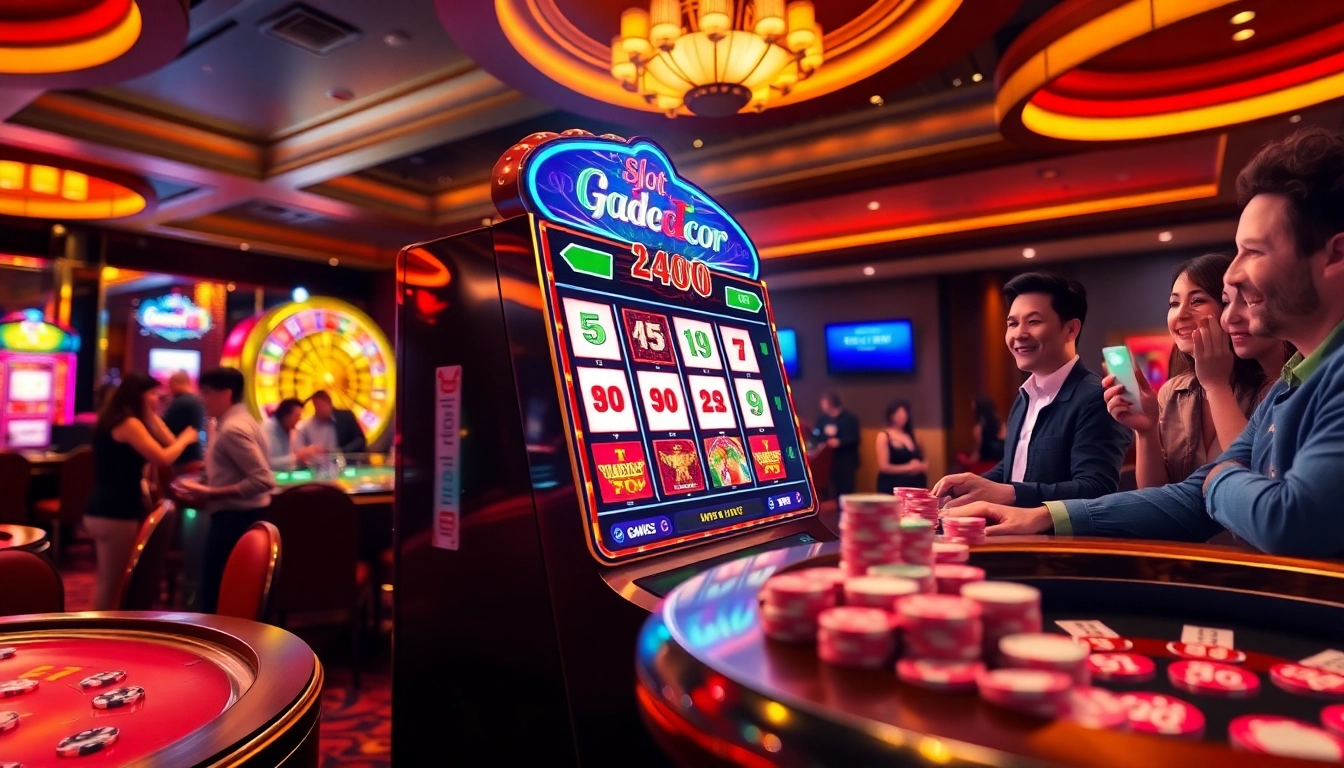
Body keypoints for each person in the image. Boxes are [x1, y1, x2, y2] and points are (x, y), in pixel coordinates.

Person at [944, 127, 1344, 558]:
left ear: (1335, 256)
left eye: (1255, 252)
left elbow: (1289, 521)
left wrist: (1220, 478)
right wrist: (1045, 516)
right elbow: (1187, 499)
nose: (1233, 275)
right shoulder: (1291, 383)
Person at [932, 272, 1131, 508]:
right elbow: (1015, 466)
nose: (1019, 334)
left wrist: (1008, 493)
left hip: (1057, 543)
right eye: (1012, 323)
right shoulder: (1025, 397)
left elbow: (1095, 489)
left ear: (1070, 329)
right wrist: (962, 489)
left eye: (1033, 321)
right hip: (1012, 535)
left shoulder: (1095, 397)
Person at [1105, 253, 1292, 487]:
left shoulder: (1274, 389)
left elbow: (1256, 481)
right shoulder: (1174, 391)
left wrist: (1216, 384)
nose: (1181, 314)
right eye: (1174, 303)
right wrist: (1146, 431)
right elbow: (1155, 496)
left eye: (1197, 301)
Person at [85, 372, 198, 610]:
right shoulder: (129, 424)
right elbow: (163, 457)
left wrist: (152, 416)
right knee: (112, 585)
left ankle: (98, 634)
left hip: (102, 509)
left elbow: (167, 441)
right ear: (140, 395)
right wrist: (186, 439)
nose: (159, 398)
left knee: (107, 582)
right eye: (154, 394)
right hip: (115, 512)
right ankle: (98, 638)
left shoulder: (119, 419)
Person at [173, 367, 276, 612]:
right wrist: (202, 483)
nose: (202, 399)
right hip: (242, 519)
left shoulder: (233, 428)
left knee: (220, 599)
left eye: (207, 393)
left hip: (235, 523)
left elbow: (263, 479)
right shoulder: (235, 422)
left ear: (227, 394)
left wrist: (210, 493)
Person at [293, 390, 367, 459]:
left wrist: (340, 451)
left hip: (346, 464)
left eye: (321, 406)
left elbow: (360, 440)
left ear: (329, 404)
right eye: (316, 407)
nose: (318, 410)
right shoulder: (306, 426)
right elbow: (299, 451)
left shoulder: (345, 417)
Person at [812, 392, 860, 497]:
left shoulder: (849, 419)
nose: (821, 405)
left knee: (845, 490)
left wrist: (839, 442)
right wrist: (823, 443)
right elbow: (815, 435)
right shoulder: (822, 419)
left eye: (823, 402)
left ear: (831, 403)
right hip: (826, 462)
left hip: (845, 461)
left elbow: (855, 438)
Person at [875, 400, 927, 494]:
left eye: (905, 413)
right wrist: (908, 468)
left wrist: (921, 466)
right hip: (893, 485)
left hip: (916, 484)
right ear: (891, 415)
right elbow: (884, 467)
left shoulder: (915, 435)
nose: (903, 416)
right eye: (898, 413)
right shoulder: (884, 436)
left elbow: (923, 460)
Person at [263, 398, 324, 471]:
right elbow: (269, 465)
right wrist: (298, 456)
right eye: (296, 416)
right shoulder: (268, 429)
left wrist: (305, 457)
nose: (299, 420)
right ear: (285, 416)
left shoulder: (287, 429)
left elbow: (288, 461)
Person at [162, 371, 207, 469]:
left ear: (175, 383)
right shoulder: (198, 400)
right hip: (196, 456)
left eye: (170, 385)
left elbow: (163, 428)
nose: (169, 389)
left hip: (182, 459)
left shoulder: (179, 402)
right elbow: (202, 432)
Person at [969, 396, 1006, 465]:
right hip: (1000, 461)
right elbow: (1005, 438)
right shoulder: (999, 421)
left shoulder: (979, 426)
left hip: (985, 463)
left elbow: (978, 450)